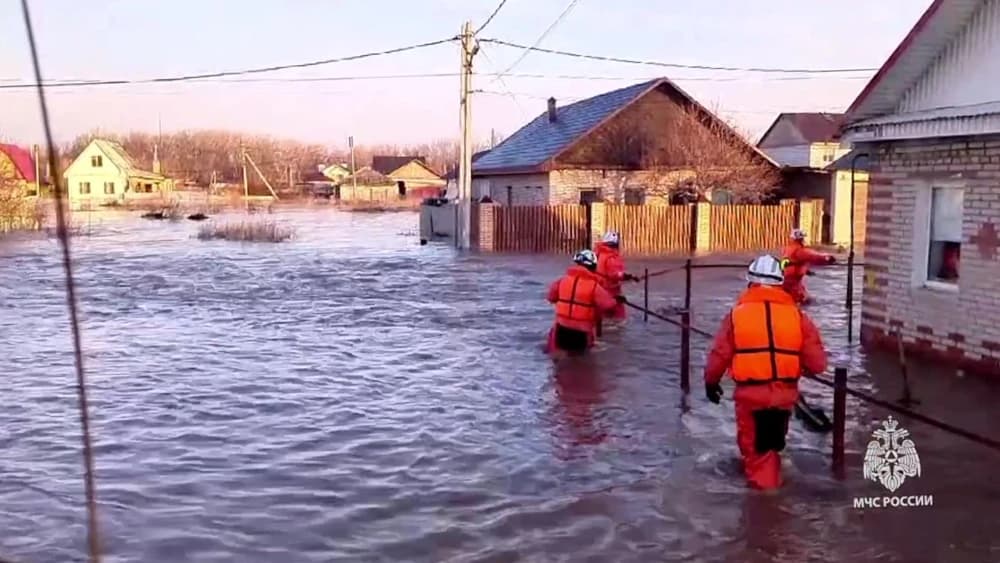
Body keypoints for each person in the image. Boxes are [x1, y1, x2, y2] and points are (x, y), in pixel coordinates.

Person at [703, 254, 828, 490]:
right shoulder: (798, 317)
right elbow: (818, 364)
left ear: (750, 282)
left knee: (757, 455)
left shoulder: (736, 316)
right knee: (771, 447)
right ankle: (773, 497)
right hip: (784, 397)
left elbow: (719, 355)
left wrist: (711, 383)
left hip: (751, 398)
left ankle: (765, 514)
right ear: (780, 283)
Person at [546, 249, 621, 356]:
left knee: (561, 361)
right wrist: (616, 300)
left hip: (561, 329)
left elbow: (551, 298)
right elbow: (609, 306)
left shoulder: (561, 281)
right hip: (581, 332)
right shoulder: (594, 286)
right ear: (592, 267)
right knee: (581, 363)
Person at [780, 228, 836, 305]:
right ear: (801, 239)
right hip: (794, 284)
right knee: (803, 301)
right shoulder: (800, 251)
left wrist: (806, 271)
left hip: (787, 281)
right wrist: (828, 258)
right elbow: (815, 256)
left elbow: (791, 263)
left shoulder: (787, 249)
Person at [594, 230, 639, 321]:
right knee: (619, 318)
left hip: (599, 289)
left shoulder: (598, 255)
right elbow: (614, 274)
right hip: (611, 291)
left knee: (602, 316)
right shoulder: (611, 257)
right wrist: (628, 276)